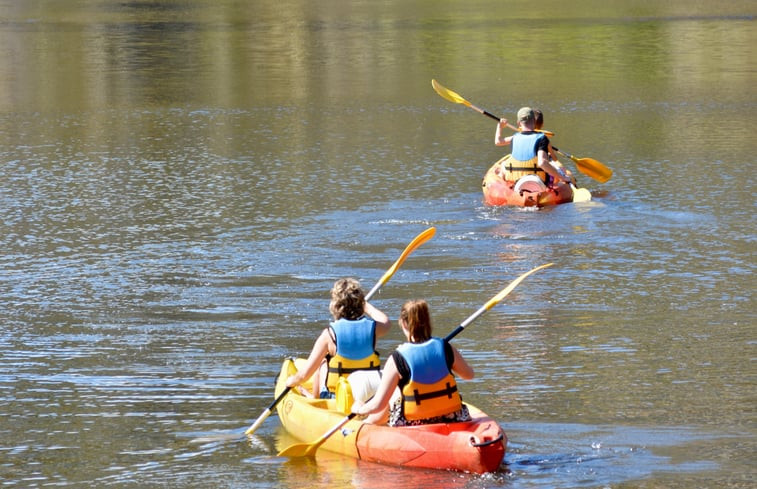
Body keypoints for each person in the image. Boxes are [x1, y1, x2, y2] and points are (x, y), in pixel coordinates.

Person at [354, 299, 473, 426]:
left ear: (404, 323)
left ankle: (366, 424)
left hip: (415, 422)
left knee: (395, 392)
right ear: (428, 322)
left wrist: (359, 408)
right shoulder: (446, 348)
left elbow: (378, 405)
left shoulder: (397, 358)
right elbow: (469, 375)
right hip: (452, 417)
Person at [286, 278, 391, 398]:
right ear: (360, 303)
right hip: (368, 396)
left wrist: (289, 381)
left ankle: (314, 400)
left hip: (338, 398)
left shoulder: (329, 335)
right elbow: (385, 321)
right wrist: (366, 306)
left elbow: (304, 375)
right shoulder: (374, 328)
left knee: (323, 362)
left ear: (335, 304)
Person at [494, 107, 573, 185]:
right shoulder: (542, 138)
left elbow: (498, 141)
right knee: (560, 170)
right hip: (538, 181)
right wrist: (563, 177)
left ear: (518, 123)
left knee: (504, 164)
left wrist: (500, 127)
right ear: (534, 121)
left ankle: (502, 180)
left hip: (514, 179)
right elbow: (542, 163)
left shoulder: (514, 137)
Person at [534, 109, 575, 185]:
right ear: (542, 124)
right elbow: (555, 158)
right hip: (542, 172)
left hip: (529, 169)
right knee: (563, 170)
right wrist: (549, 154)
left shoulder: (520, 137)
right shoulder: (544, 139)